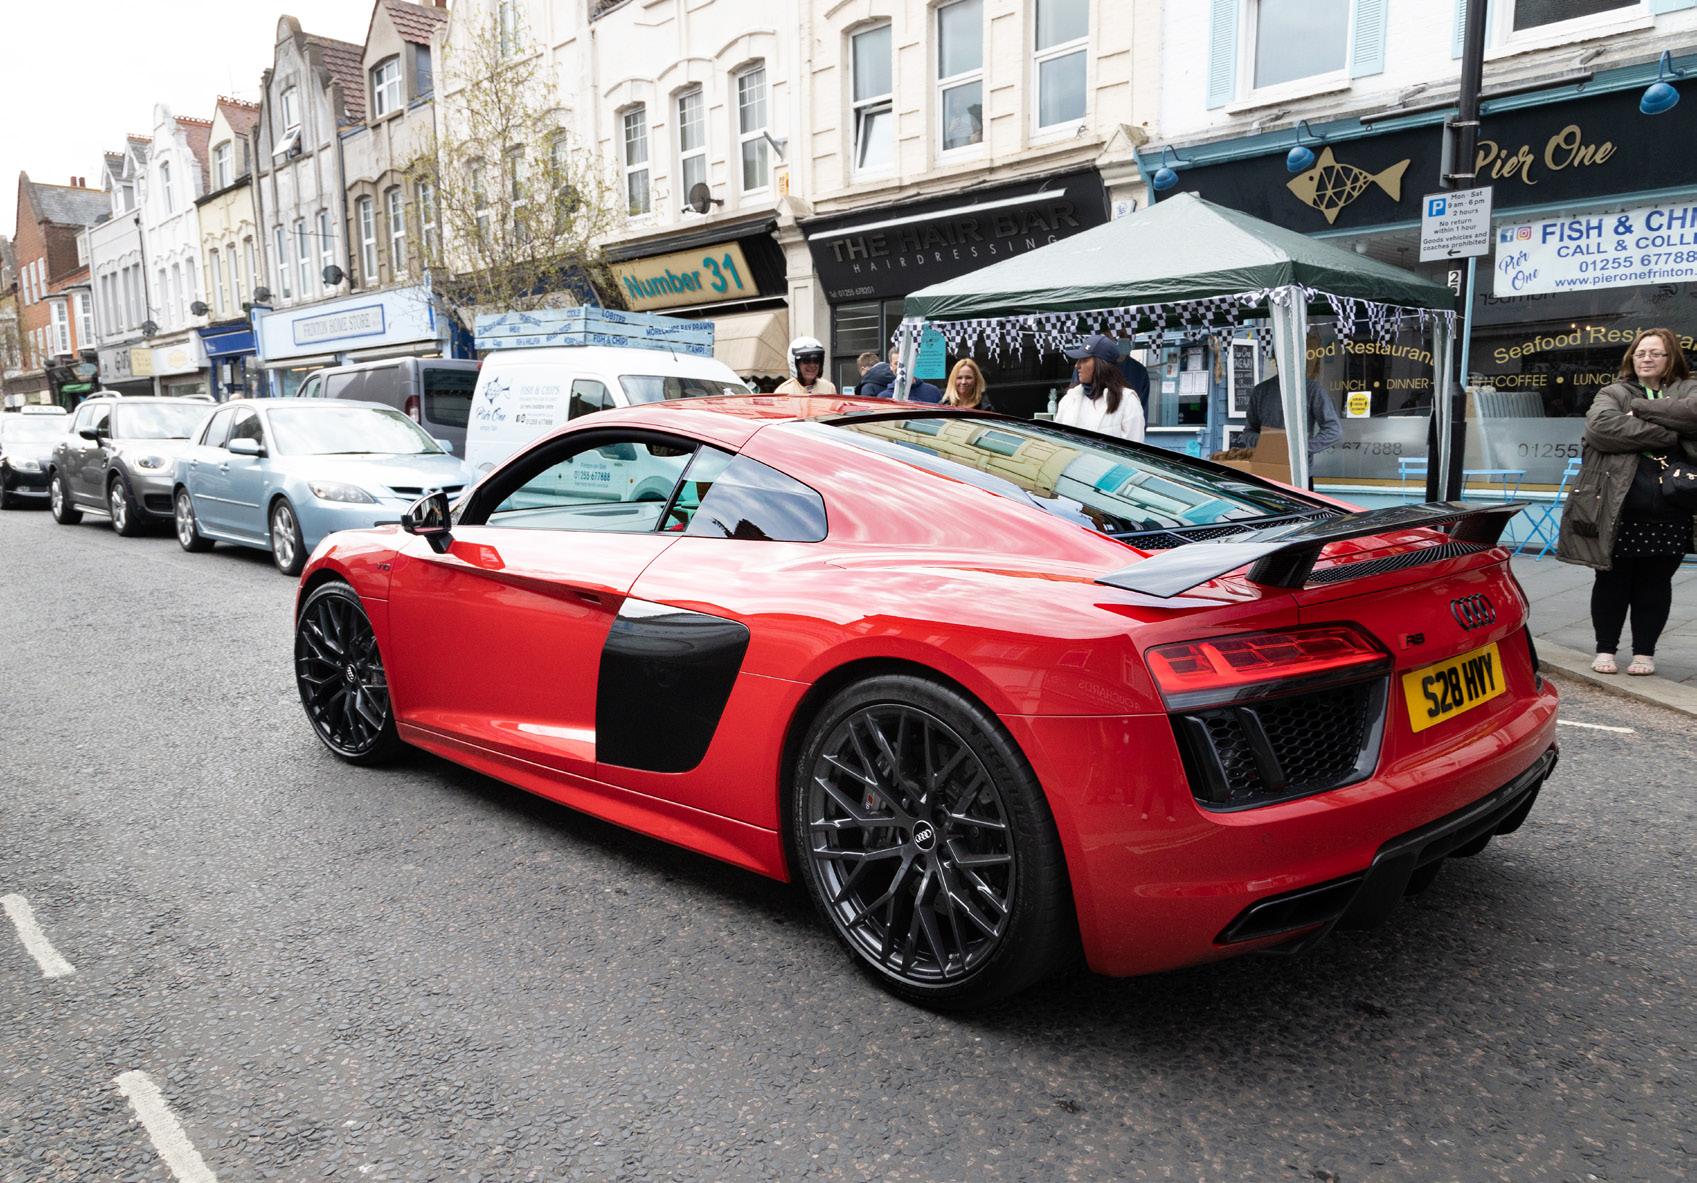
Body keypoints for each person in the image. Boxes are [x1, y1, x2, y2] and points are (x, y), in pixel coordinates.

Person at [1558, 327, 1697, 677]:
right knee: (1612, 582)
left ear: (1671, 358)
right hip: (1616, 507)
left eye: (1655, 353)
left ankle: (1644, 653)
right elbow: (1601, 429)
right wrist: (1671, 433)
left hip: (1672, 509)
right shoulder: (1613, 391)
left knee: (1656, 584)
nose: (1646, 359)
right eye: (1640, 353)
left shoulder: (1688, 389)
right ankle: (1605, 648)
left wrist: (1639, 409)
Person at [1055, 335, 1146, 442]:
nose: (1077, 365)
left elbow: (1133, 447)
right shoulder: (1070, 398)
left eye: (1084, 360)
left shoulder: (1127, 401)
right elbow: (1057, 442)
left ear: (1101, 365)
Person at [1243, 362, 1342, 460]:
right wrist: (1268, 443)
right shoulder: (1260, 391)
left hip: (1298, 467)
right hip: (1265, 464)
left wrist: (1300, 450)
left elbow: (1333, 430)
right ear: (1276, 360)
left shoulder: (1312, 389)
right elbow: (1249, 432)